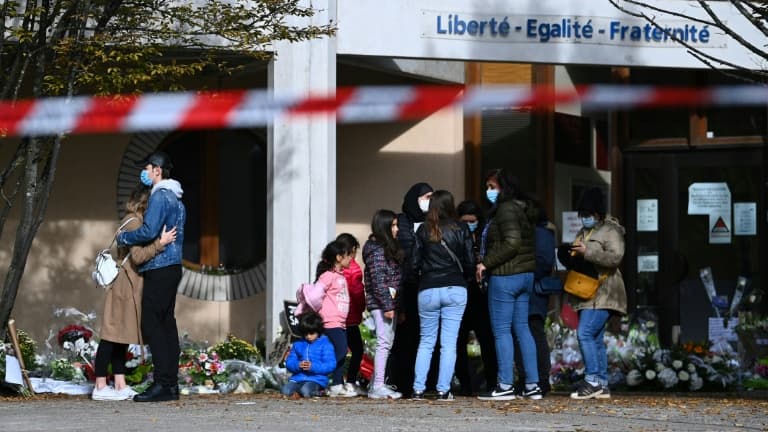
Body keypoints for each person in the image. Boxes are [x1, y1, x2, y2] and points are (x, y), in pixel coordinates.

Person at [92, 185, 177, 401]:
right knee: (111, 335)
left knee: (121, 335)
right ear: (145, 203)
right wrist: (161, 243)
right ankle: (100, 385)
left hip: (129, 285)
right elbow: (138, 256)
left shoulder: (135, 220)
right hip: (125, 285)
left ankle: (120, 384)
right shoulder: (135, 222)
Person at [117, 151, 186, 403]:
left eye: (145, 169)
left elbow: (148, 231)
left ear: (157, 170)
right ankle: (170, 385)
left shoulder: (160, 196)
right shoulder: (177, 197)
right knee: (167, 324)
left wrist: (123, 237)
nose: (143, 174)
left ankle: (162, 384)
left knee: (152, 323)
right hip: (172, 266)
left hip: (160, 266)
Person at [475, 169, 543, 401]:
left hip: (505, 276)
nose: (488, 191)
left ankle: (505, 384)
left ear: (504, 187)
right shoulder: (523, 209)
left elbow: (511, 243)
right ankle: (532, 384)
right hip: (525, 276)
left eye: (492, 187)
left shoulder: (505, 210)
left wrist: (486, 263)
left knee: (502, 330)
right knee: (522, 329)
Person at [557, 187, 626, 400]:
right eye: (582, 214)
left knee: (585, 333)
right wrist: (568, 256)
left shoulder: (611, 231)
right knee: (595, 338)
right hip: (586, 292)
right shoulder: (583, 232)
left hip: (605, 292)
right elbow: (583, 261)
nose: (584, 217)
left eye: (588, 213)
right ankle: (602, 383)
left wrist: (588, 251)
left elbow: (615, 257)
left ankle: (593, 380)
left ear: (598, 213)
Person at [410, 190, 474, 401]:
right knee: (449, 343)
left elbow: (413, 263)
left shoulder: (422, 230)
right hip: (455, 288)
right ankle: (442, 390)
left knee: (426, 341)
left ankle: (418, 389)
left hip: (428, 288)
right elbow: (470, 261)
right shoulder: (461, 228)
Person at [388, 182, 433, 397]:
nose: (428, 201)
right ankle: (400, 382)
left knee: (426, 337)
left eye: (431, 197)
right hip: (405, 286)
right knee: (405, 337)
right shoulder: (402, 221)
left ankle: (425, 383)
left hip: (426, 286)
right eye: (424, 196)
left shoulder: (433, 222)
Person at [454, 200, 497, 395]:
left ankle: (492, 382)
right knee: (458, 341)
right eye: (465, 221)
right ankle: (464, 384)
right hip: (461, 293)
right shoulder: (455, 235)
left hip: (481, 295)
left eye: (473, 221)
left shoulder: (484, 236)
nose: (469, 224)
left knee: (487, 341)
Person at [514, 204, 556, 396]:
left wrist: (522, 273)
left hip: (533, 291)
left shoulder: (541, 234)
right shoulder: (535, 233)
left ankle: (539, 378)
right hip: (527, 288)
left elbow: (545, 262)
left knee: (534, 333)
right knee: (525, 335)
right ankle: (528, 378)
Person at [363, 210, 404, 400]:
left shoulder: (386, 248)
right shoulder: (377, 251)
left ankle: (376, 382)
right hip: (381, 305)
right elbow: (379, 281)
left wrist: (397, 307)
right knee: (383, 343)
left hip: (389, 304)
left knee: (387, 343)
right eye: (393, 225)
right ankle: (378, 385)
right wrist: (388, 306)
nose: (396, 229)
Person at [314, 240, 357, 397]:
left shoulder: (340, 276)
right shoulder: (328, 276)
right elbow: (315, 295)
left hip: (340, 322)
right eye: (347, 255)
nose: (350, 259)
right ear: (339, 257)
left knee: (340, 352)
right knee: (339, 351)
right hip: (330, 322)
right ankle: (318, 380)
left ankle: (337, 385)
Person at [336, 232, 367, 396]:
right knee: (357, 350)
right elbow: (357, 293)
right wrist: (362, 308)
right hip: (350, 318)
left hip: (336, 318)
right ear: (352, 249)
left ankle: (337, 382)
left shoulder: (332, 266)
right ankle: (350, 382)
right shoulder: (353, 269)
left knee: (339, 351)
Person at [281, 311, 337, 398]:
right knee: (285, 391)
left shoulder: (325, 345)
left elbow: (330, 365)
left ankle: (321, 392)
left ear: (318, 331)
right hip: (298, 378)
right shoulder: (298, 344)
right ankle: (299, 393)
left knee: (306, 391)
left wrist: (312, 367)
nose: (308, 336)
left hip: (317, 379)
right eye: (305, 333)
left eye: (311, 333)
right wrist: (298, 365)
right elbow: (289, 362)